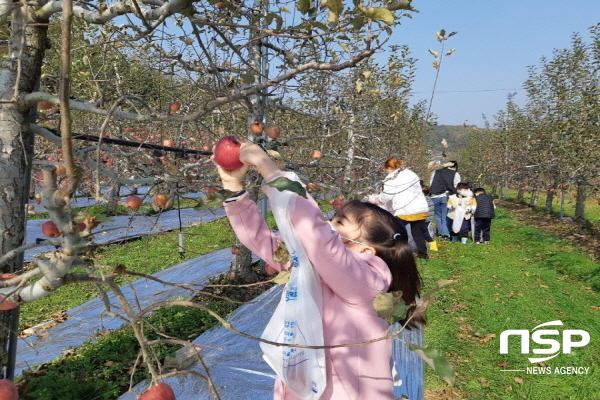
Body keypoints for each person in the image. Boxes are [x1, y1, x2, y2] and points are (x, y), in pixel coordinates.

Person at [212, 142, 423, 400]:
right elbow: (265, 242)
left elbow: (321, 240)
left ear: (367, 250)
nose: (329, 224)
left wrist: (271, 170)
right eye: (333, 218)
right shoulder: (311, 264)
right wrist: (233, 189)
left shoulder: (369, 280)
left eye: (340, 223)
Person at [369, 158, 430, 260]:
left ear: (389, 167)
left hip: (406, 209)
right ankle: (423, 254)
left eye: (386, 169)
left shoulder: (391, 178)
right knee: (417, 232)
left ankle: (393, 251)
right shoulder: (410, 173)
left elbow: (387, 196)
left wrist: (376, 199)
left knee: (393, 230)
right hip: (420, 207)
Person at [429, 161, 461, 241]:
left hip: (434, 196)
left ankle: (440, 233)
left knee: (438, 216)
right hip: (446, 196)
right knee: (445, 216)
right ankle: (446, 234)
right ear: (454, 167)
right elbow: (457, 186)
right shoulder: (455, 174)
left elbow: (431, 183)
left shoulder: (436, 172)